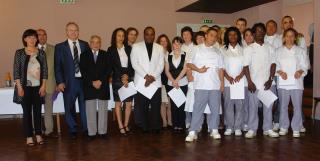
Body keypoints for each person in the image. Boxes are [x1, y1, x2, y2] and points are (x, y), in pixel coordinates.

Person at [185, 28, 224, 142]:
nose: (213, 38)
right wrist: (198, 69)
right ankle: (193, 131)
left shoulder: (218, 51)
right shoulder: (196, 49)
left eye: (215, 36)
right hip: (201, 85)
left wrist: (222, 83)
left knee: (215, 109)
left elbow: (221, 69)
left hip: (215, 86)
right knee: (197, 108)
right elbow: (189, 63)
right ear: (206, 36)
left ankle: (214, 129)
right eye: (211, 35)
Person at [243, 23, 279, 138]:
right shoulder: (249, 49)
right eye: (258, 31)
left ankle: (267, 128)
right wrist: (249, 82)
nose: (260, 33)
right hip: (254, 83)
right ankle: (252, 129)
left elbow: (273, 64)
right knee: (252, 107)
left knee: (268, 106)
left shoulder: (270, 47)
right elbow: (245, 66)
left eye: (262, 31)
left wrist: (270, 79)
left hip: (268, 83)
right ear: (254, 33)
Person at [54, 22, 90, 139]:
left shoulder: (85, 45)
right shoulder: (60, 47)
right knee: (69, 107)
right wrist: (60, 82)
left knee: (84, 106)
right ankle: (73, 129)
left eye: (76, 30)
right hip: (69, 82)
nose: (73, 32)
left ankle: (86, 129)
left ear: (78, 32)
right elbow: (57, 66)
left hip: (84, 81)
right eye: (71, 30)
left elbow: (89, 64)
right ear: (66, 32)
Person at [13, 29, 48, 146]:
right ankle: (28, 136)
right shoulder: (19, 53)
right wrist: (19, 87)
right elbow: (16, 71)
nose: (32, 39)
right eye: (29, 37)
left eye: (34, 37)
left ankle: (38, 134)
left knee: (38, 112)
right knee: (26, 112)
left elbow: (44, 70)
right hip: (25, 87)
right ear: (25, 39)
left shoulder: (41, 53)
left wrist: (43, 86)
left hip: (38, 87)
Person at [276, 28, 309, 138]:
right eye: (287, 36)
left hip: (296, 82)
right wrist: (280, 72)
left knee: (297, 106)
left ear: (295, 38)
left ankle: (296, 127)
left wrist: (300, 71)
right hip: (283, 82)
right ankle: (284, 126)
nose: (289, 38)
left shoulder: (301, 51)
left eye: (292, 36)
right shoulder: (278, 51)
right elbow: (275, 65)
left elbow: (306, 65)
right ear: (284, 37)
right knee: (283, 106)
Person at [131, 26, 164, 133]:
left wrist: (152, 77)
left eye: (152, 34)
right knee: (142, 106)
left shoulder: (159, 47)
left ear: (154, 35)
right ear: (144, 35)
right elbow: (134, 63)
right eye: (147, 34)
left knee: (155, 106)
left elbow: (161, 65)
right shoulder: (136, 46)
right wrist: (146, 76)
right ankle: (144, 126)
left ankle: (155, 127)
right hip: (141, 81)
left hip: (155, 81)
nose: (149, 36)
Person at [80, 35, 111, 140]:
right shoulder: (84, 55)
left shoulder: (105, 54)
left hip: (103, 85)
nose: (96, 44)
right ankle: (92, 133)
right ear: (90, 43)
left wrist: (100, 81)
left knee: (103, 110)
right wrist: (92, 82)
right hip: (89, 85)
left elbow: (108, 70)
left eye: (98, 42)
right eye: (93, 42)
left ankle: (102, 132)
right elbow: (83, 71)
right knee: (90, 110)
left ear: (100, 43)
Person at [108, 28, 134, 136]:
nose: (121, 38)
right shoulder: (111, 49)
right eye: (119, 35)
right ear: (115, 36)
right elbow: (111, 66)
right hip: (117, 80)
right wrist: (121, 77)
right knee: (118, 103)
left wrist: (127, 76)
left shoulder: (129, 48)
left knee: (128, 104)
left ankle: (126, 124)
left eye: (123, 36)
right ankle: (120, 126)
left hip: (128, 79)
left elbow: (132, 64)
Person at [221, 27, 245, 136]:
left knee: (240, 105)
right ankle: (229, 126)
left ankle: (238, 127)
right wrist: (227, 77)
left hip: (240, 82)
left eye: (235, 34)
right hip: (228, 82)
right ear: (227, 36)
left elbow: (246, 65)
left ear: (238, 36)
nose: (233, 37)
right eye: (230, 35)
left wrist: (240, 75)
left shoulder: (243, 49)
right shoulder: (222, 50)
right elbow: (221, 67)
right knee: (228, 105)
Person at [37, 29, 58, 138]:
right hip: (34, 85)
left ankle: (49, 131)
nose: (42, 36)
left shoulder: (54, 49)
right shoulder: (31, 50)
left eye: (44, 34)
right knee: (35, 109)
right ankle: (36, 131)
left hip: (50, 84)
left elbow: (57, 67)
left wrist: (58, 83)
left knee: (48, 108)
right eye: (39, 35)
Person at [164, 36, 188, 132]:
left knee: (182, 104)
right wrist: (173, 81)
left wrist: (177, 80)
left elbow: (185, 69)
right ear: (172, 44)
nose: (176, 45)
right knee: (173, 105)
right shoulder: (168, 55)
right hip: (171, 83)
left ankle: (181, 124)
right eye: (175, 43)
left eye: (179, 43)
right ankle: (175, 125)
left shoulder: (186, 55)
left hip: (182, 83)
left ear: (181, 44)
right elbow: (166, 71)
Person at [264, 19, 282, 131]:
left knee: (278, 99)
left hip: (278, 73)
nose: (270, 28)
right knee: (268, 99)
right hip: (265, 74)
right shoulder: (262, 39)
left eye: (273, 26)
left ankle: (277, 120)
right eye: (268, 26)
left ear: (276, 28)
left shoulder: (280, 39)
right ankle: (268, 121)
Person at [156, 34, 173, 129]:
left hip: (170, 81)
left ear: (168, 43)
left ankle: (170, 121)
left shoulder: (171, 53)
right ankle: (164, 122)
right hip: (160, 80)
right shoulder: (156, 53)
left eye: (165, 41)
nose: (163, 43)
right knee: (162, 103)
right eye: (161, 41)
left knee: (169, 103)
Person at [181, 26, 195, 129]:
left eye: (188, 34)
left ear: (191, 35)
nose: (186, 36)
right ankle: (187, 119)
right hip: (182, 78)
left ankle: (194, 121)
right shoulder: (180, 47)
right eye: (184, 34)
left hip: (192, 78)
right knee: (184, 100)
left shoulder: (196, 47)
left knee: (193, 100)